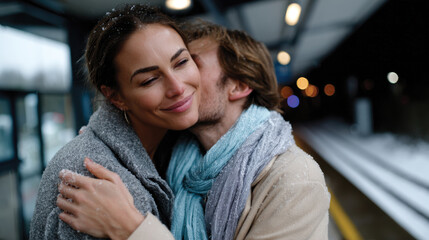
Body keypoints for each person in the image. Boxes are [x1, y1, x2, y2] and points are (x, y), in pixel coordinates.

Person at [57, 20, 331, 240]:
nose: (177, 85)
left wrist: (131, 229)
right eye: (153, 77)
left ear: (238, 86)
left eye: (187, 63)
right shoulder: (167, 157)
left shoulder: (293, 179)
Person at [29, 4, 201, 239]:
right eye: (150, 80)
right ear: (116, 97)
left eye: (181, 63)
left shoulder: (172, 148)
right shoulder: (95, 179)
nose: (178, 87)